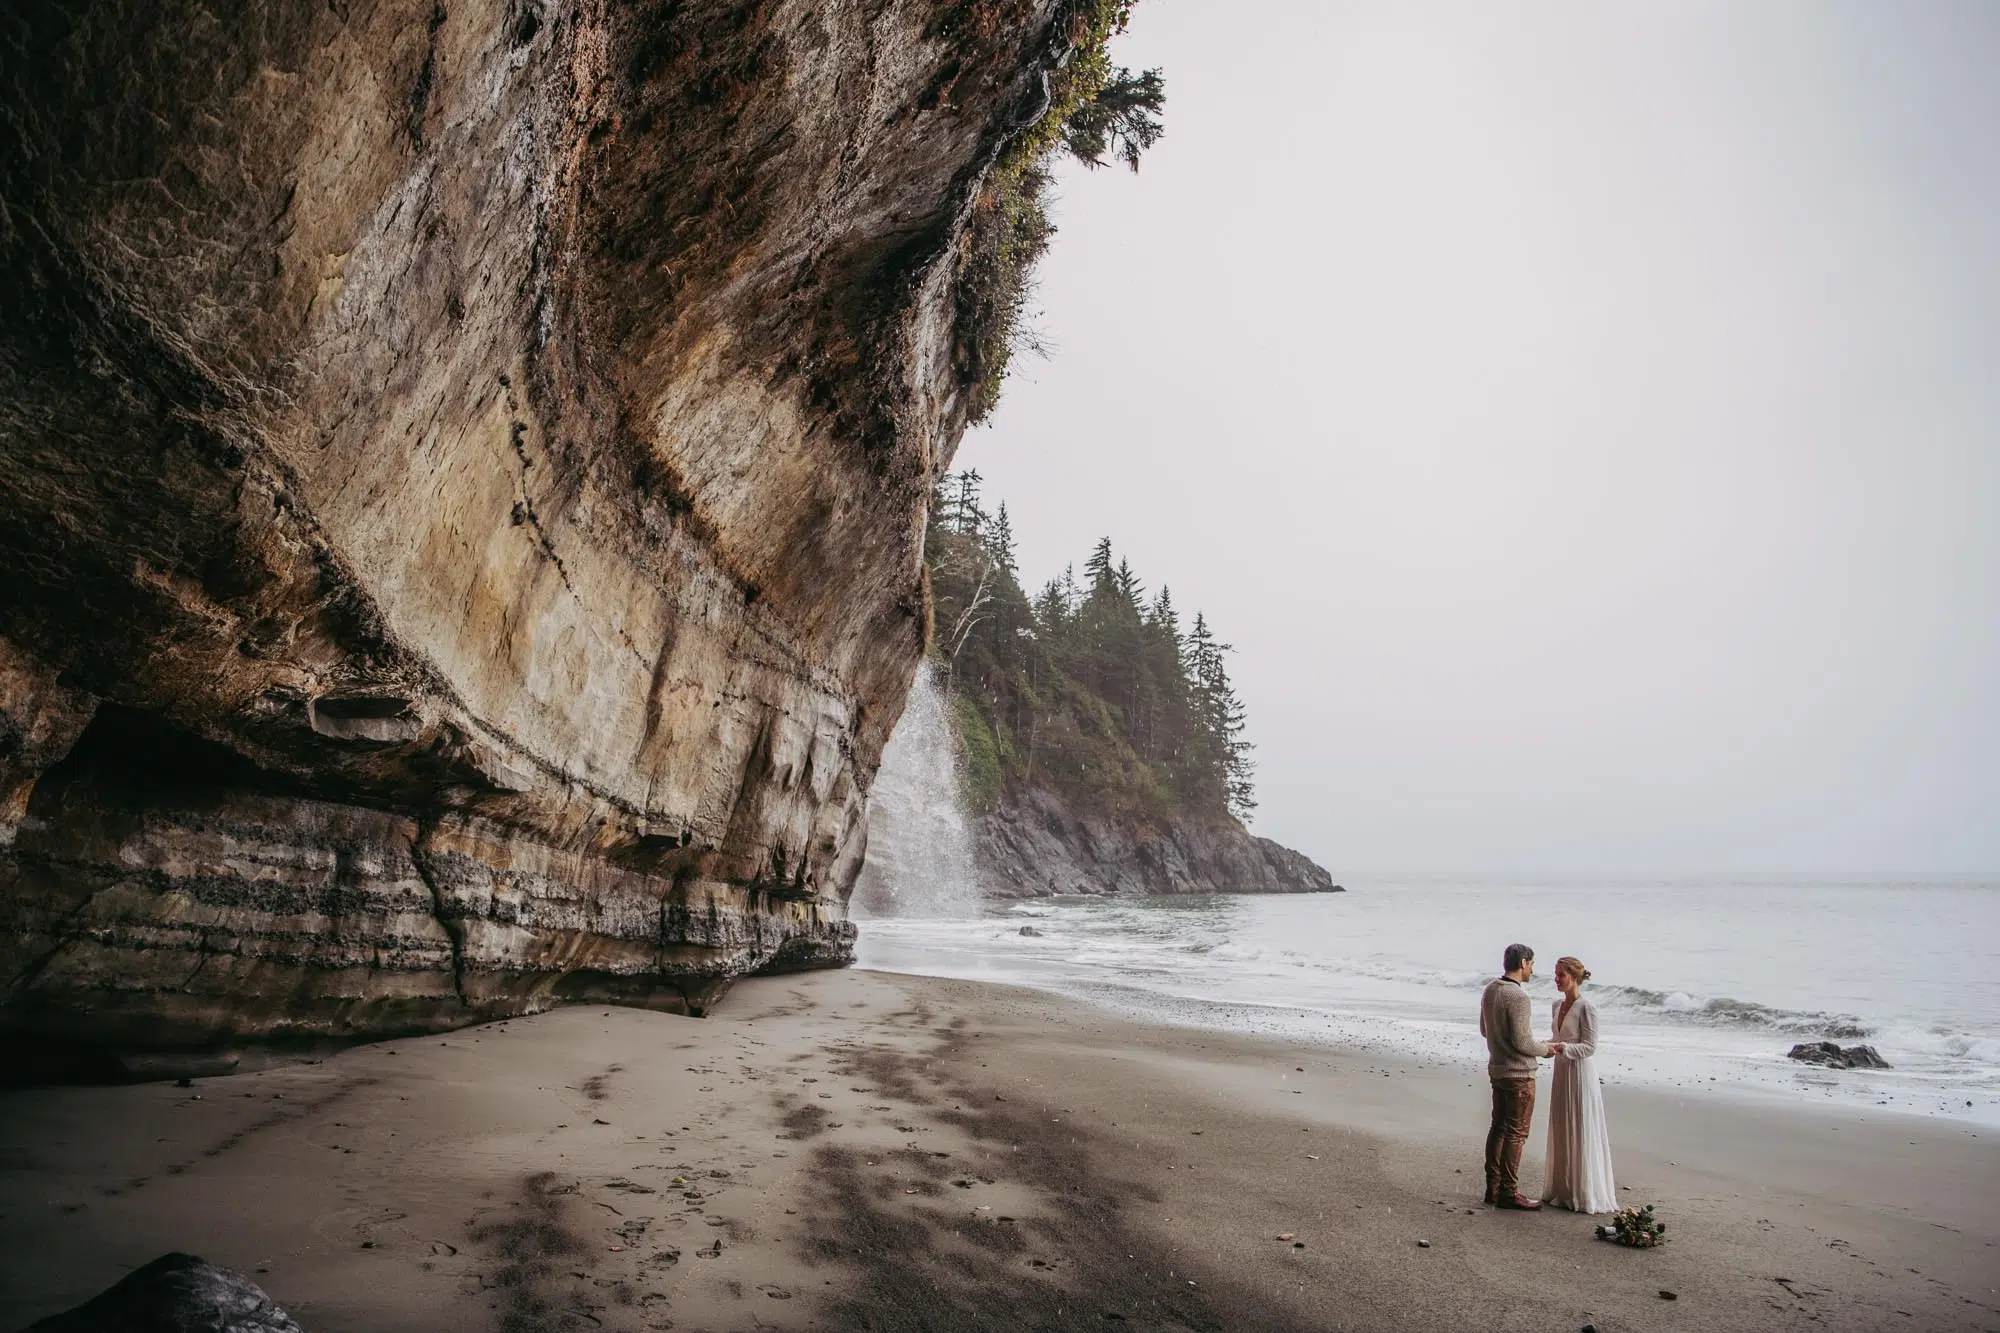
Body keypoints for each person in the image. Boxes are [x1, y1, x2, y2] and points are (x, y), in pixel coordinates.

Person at [1541, 956, 1619, 1212]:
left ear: (1574, 977)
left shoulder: (1587, 1008)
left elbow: (1590, 1046)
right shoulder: (1555, 1006)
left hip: (1579, 1073)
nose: (1556, 979)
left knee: (1580, 1124)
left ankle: (1582, 1190)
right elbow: (1555, 1037)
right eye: (1555, 974)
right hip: (1561, 1071)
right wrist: (1543, 1047)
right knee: (1561, 1124)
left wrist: (1565, 1048)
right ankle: (1562, 1187)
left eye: (1561, 975)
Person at [1479, 942, 1552, 1209]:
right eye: (1531, 964)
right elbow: (1523, 1042)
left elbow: (1485, 1030)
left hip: (1497, 1069)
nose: (1532, 970)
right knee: (1516, 1133)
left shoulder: (1490, 989)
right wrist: (1546, 1049)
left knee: (1498, 1128)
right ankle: (1509, 1192)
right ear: (1523, 963)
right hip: (1519, 1074)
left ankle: (1493, 1188)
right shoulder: (1518, 997)